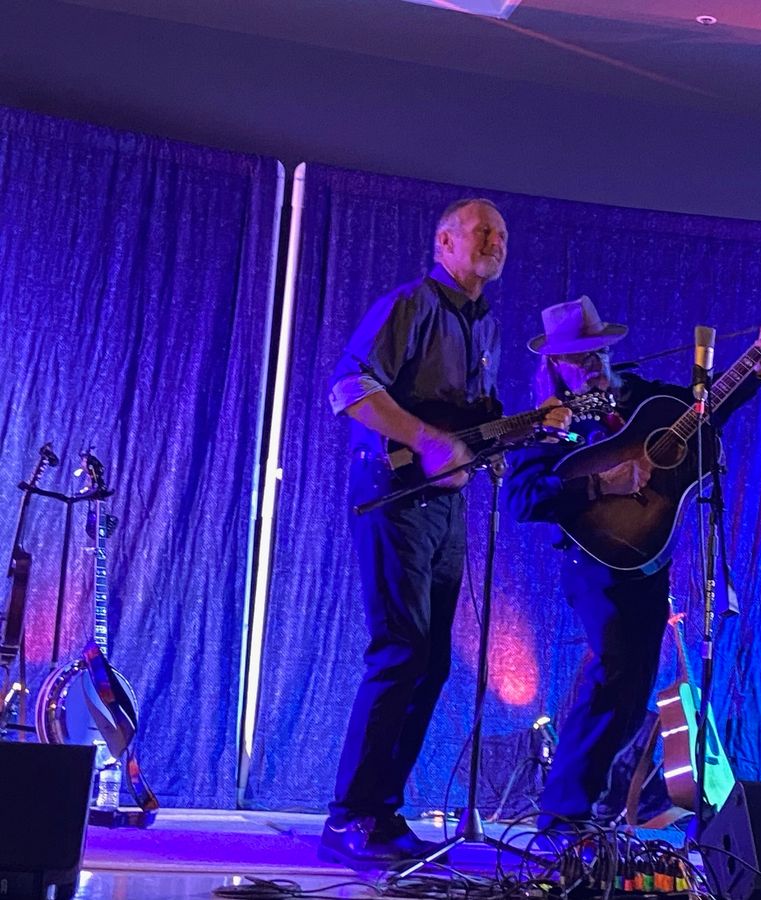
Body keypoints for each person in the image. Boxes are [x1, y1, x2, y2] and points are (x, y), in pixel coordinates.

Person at [321, 198, 570, 867]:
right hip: (394, 498)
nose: (495, 241)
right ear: (444, 242)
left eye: (504, 235)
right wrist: (428, 439)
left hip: (444, 509)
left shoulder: (484, 327)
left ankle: (383, 811)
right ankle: (348, 815)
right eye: (482, 231)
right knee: (400, 652)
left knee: (430, 664)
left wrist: (529, 427)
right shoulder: (411, 304)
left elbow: (467, 435)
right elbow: (349, 388)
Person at [504, 295, 761, 832]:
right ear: (554, 366)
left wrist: (757, 365)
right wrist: (597, 483)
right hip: (594, 563)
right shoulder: (548, 422)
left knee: (634, 691)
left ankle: (588, 809)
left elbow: (708, 409)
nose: (593, 363)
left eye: (599, 351)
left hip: (649, 560)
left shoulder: (646, 399)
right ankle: (563, 813)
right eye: (578, 356)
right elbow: (523, 499)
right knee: (613, 674)